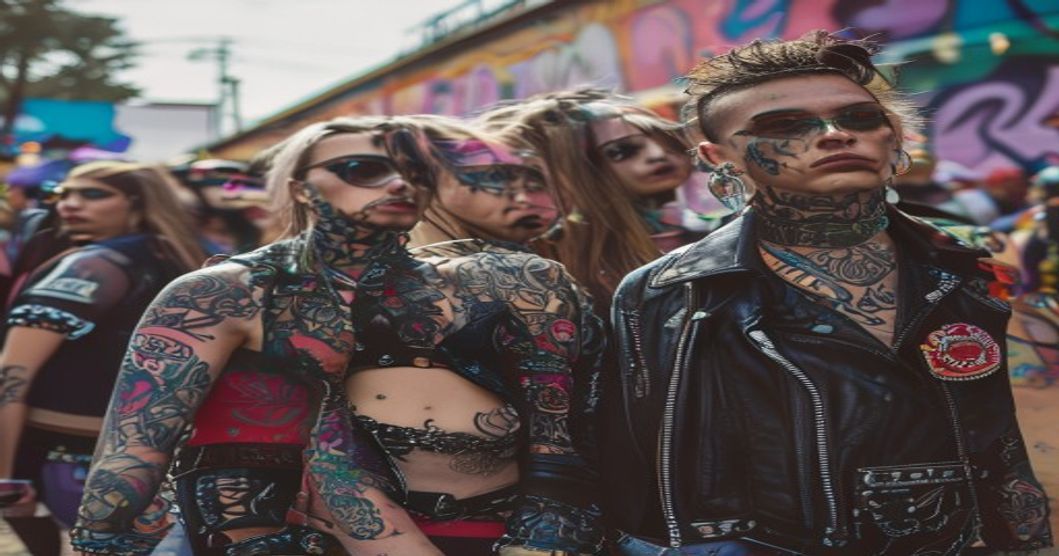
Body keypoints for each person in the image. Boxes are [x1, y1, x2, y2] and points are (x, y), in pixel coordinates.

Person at [603, 31, 1052, 554]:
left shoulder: (981, 268)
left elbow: (1036, 432)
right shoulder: (670, 294)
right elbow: (641, 476)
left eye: (860, 118)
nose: (836, 134)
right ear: (718, 156)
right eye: (784, 126)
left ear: (893, 135)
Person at [68, 117, 430, 555]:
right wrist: (100, 539)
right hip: (261, 534)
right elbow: (136, 445)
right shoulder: (227, 291)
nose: (398, 184)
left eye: (417, 171)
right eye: (362, 169)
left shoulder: (468, 293)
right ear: (300, 188)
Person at [330, 114, 604, 555]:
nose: (519, 193)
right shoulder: (323, 282)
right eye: (492, 176)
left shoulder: (524, 276)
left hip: (502, 533)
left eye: (530, 178)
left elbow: (559, 447)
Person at [0, 162, 205, 548]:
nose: (70, 205)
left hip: (72, 461)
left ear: (138, 201)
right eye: (63, 194)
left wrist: (5, 477)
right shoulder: (182, 257)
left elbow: (12, 372)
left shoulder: (94, 264)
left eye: (93, 194)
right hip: (145, 458)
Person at [476, 90, 705, 311]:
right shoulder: (565, 256)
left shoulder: (712, 221)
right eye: (621, 151)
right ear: (578, 170)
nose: (658, 154)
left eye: (669, 141)